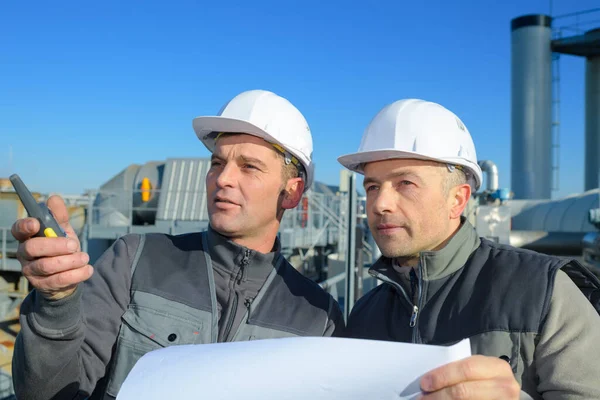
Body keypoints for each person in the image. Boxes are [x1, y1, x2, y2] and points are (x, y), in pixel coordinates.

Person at [11, 89, 345, 400]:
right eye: (217, 163)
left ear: (292, 192)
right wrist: (56, 304)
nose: (223, 178)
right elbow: (51, 393)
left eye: (249, 167)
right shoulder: (135, 260)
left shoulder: (320, 318)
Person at [337, 98, 600, 399]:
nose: (380, 204)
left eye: (405, 183)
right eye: (372, 187)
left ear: (457, 200)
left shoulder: (543, 291)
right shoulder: (364, 313)